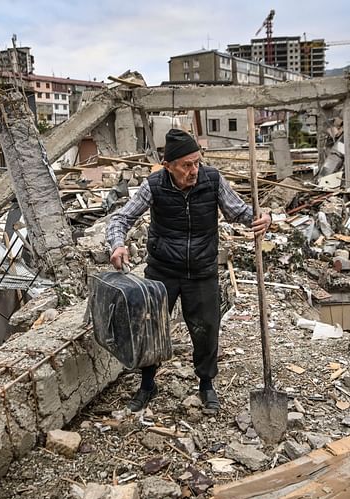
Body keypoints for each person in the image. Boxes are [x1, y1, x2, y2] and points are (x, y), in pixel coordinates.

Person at [105, 128, 271, 415]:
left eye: (197, 162)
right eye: (186, 165)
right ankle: (147, 384)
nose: (194, 170)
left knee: (206, 329)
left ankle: (206, 384)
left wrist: (261, 218)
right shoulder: (154, 185)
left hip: (202, 269)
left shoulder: (212, 180)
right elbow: (121, 217)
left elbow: (240, 212)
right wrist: (117, 245)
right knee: (150, 327)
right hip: (163, 271)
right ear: (168, 166)